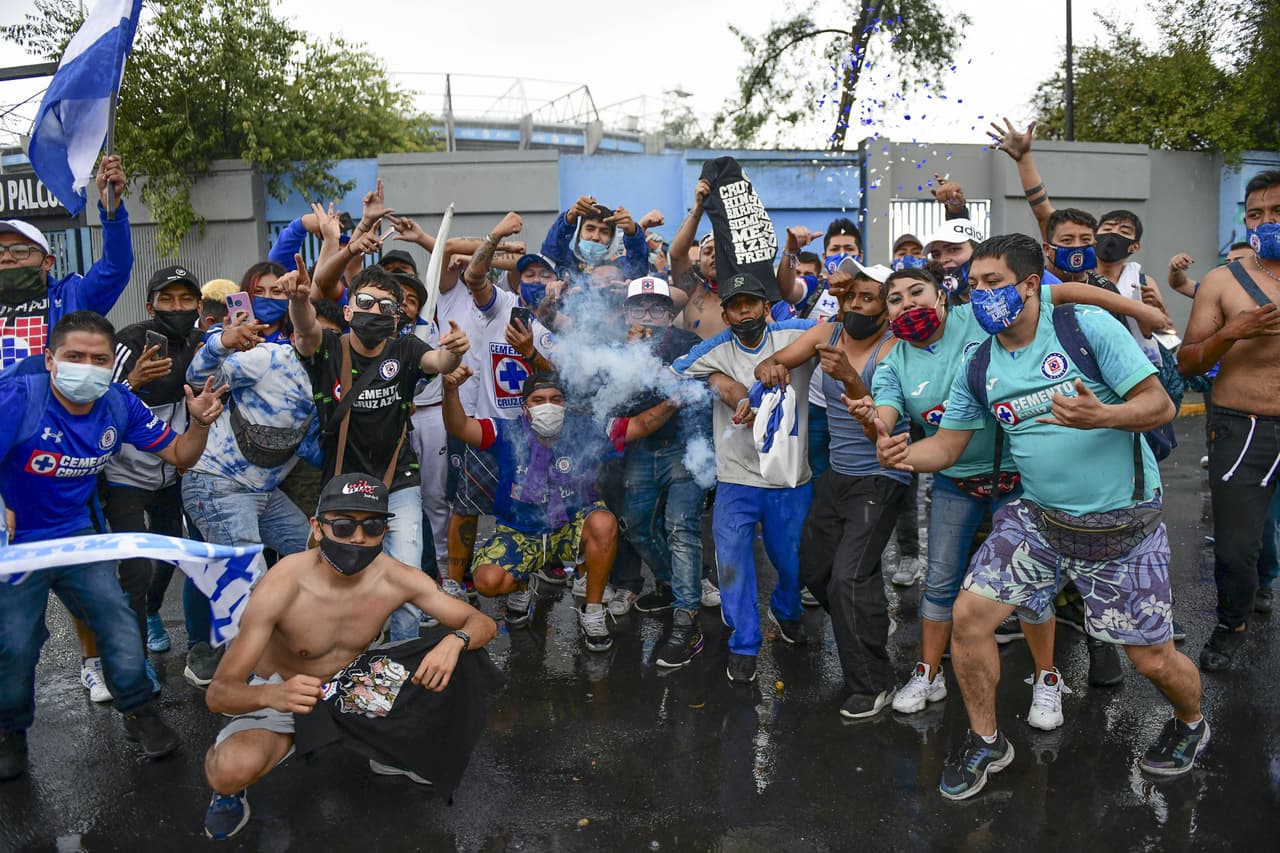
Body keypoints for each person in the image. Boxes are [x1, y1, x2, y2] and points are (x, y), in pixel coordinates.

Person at [877, 234, 1206, 799]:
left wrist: (1103, 415)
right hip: (1039, 520)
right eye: (975, 285)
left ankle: (1191, 724)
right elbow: (949, 447)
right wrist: (905, 453)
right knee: (970, 618)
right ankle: (986, 740)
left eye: (995, 283)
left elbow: (1161, 405)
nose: (981, 295)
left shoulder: (1083, 329)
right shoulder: (979, 361)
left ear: (1031, 285)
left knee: (1151, 659)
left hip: (1122, 525)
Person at [858, 264, 1170, 720]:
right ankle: (932, 676)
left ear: (943, 297)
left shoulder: (981, 318)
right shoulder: (897, 362)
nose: (908, 305)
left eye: (916, 292)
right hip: (956, 480)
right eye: (896, 299)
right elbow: (894, 422)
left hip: (1015, 481)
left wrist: (1137, 309)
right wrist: (884, 439)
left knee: (1038, 595)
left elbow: (1061, 294)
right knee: (944, 583)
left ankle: (1047, 677)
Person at [201, 473, 498, 840]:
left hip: (351, 683)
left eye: (372, 525)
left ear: (384, 531)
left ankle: (391, 748)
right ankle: (229, 794)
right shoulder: (283, 584)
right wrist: (271, 695)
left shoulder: (396, 577)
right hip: (287, 693)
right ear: (318, 527)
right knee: (230, 770)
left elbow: (481, 622)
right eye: (343, 525)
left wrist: (455, 641)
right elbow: (219, 693)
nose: (358, 537)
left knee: (463, 655)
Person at [0, 311, 226, 781]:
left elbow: (181, 455)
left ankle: (139, 712)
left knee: (119, 620)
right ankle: (10, 733)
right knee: (16, 645)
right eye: (74, 357)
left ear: (111, 364)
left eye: (98, 358)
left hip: (80, 536)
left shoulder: (119, 403)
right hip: (17, 545)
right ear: (50, 360)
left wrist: (200, 423)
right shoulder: (18, 399)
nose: (88, 366)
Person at [754, 259, 912, 717]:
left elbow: (879, 430)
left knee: (848, 578)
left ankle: (873, 682)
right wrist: (769, 370)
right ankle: (865, 615)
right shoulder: (827, 334)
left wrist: (847, 376)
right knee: (816, 570)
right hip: (837, 475)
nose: (856, 305)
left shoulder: (894, 349)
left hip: (883, 475)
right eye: (851, 297)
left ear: (886, 307)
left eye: (868, 298)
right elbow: (777, 359)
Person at [442, 370, 688, 651]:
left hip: (570, 526)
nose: (548, 405)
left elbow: (641, 425)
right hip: (520, 531)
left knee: (603, 522)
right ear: (525, 406)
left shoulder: (586, 429)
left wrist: (674, 401)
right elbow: (459, 426)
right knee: (487, 581)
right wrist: (450, 391)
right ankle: (523, 584)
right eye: (538, 400)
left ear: (565, 404)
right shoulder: (506, 432)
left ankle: (593, 612)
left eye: (556, 399)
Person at [291, 264, 471, 641]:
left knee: (405, 574)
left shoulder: (405, 348)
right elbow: (306, 330)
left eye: (387, 307)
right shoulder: (328, 348)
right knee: (336, 575)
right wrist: (298, 300)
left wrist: (453, 352)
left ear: (395, 320)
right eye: (366, 302)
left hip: (397, 480)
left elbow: (437, 363)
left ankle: (399, 659)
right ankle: (343, 654)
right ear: (348, 310)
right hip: (341, 484)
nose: (375, 311)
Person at [671, 273, 816, 685]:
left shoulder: (792, 334)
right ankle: (745, 643)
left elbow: (832, 331)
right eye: (737, 305)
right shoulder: (716, 348)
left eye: (753, 302)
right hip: (736, 478)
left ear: (766, 307)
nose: (746, 311)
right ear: (726, 313)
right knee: (732, 562)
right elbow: (678, 369)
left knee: (792, 563)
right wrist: (720, 382)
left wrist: (782, 362)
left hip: (790, 477)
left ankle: (786, 612)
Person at [182, 259, 319, 685]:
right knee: (249, 581)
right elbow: (197, 375)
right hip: (217, 483)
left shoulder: (332, 379)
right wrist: (222, 341)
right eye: (316, 333)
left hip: (264, 490)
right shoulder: (267, 357)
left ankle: (301, 646)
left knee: (316, 552)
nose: (323, 342)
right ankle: (252, 684)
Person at [1178, 169, 1280, 670]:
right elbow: (1189, 360)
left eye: (1277, 212)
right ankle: (1232, 622)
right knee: (1237, 547)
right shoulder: (1224, 281)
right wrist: (1235, 331)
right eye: (1256, 213)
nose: (1266, 222)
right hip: (1245, 425)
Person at [105, 264, 205, 659]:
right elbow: (97, 405)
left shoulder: (201, 343)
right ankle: (134, 656)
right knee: (135, 567)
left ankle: (150, 612)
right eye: (167, 299)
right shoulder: (128, 343)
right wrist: (132, 383)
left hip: (171, 472)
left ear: (198, 305)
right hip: (123, 475)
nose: (177, 307)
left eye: (185, 299)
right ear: (151, 305)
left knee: (169, 554)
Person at [614, 277, 715, 665]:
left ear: (670, 314)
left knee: (680, 527)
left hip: (685, 448)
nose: (648, 316)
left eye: (657, 308)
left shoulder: (686, 344)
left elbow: (700, 391)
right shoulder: (613, 346)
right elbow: (610, 404)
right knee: (637, 525)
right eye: (639, 307)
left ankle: (685, 620)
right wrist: (627, 357)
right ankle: (678, 583)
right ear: (626, 312)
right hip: (640, 450)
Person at [0, 155, 130, 370]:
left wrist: (112, 208)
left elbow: (115, 267)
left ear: (47, 262)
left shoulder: (71, 297)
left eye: (20, 250)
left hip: (53, 403)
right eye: (0, 251)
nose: (6, 257)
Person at [540, 195, 648, 282]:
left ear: (611, 239)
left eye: (604, 232)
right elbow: (551, 248)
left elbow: (638, 268)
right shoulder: (567, 263)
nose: (596, 237)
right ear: (578, 232)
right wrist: (569, 217)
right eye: (590, 228)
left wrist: (633, 234)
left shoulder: (620, 269)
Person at [1167, 243, 1255, 299]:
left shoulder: (1268, 291)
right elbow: (1180, 284)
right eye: (1227, 262)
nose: (1230, 266)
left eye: (1237, 261)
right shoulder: (1216, 292)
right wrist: (1175, 267)